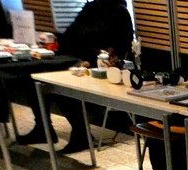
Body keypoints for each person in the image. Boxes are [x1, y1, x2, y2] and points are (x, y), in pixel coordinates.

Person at [17, 0, 133, 153]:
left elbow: (120, 47)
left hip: (100, 64)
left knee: (62, 88)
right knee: (32, 80)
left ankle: (81, 135)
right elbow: (71, 33)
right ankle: (43, 128)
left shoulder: (120, 11)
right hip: (75, 58)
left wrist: (90, 49)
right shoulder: (91, 7)